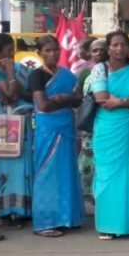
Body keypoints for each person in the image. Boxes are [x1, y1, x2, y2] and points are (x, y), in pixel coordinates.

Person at [91, 31, 129, 240]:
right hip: (106, 128)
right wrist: (128, 101)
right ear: (108, 48)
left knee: (126, 171)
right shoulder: (100, 69)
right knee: (106, 172)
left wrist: (121, 102)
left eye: (123, 44)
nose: (119, 48)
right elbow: (101, 98)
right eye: (115, 45)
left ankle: (126, 224)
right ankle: (107, 224)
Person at [28, 35, 84, 237]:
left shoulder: (68, 75)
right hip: (47, 128)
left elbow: (79, 100)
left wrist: (66, 99)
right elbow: (43, 105)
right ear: (39, 53)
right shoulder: (36, 75)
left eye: (55, 50)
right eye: (48, 50)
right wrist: (66, 101)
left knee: (66, 171)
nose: (53, 54)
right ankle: (45, 222)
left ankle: (67, 218)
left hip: (67, 127)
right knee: (47, 172)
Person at [0, 33, 32, 235]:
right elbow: (9, 94)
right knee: (4, 168)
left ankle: (23, 210)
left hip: (21, 124)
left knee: (23, 165)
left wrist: (13, 79)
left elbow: (22, 94)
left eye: (13, 50)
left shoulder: (21, 70)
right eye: (8, 51)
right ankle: (6, 213)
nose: (12, 54)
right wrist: (9, 72)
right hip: (2, 127)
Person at [78, 39, 107, 205]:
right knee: (86, 163)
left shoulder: (113, 72)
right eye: (95, 50)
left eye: (102, 49)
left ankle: (102, 196)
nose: (99, 53)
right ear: (89, 54)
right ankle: (89, 195)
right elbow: (77, 97)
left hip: (108, 122)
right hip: (89, 124)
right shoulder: (84, 73)